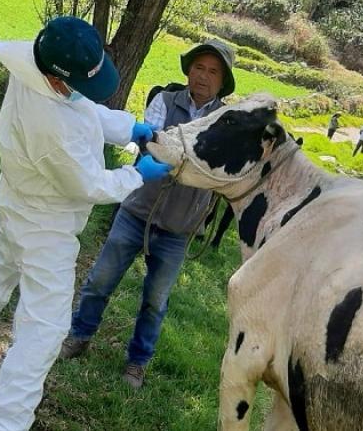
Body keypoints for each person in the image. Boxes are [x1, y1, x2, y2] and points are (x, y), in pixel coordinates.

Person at [0, 17, 172, 431]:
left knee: (0, 269)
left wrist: (130, 128)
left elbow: (83, 106)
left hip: (17, 205)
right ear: (56, 78)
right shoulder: (52, 128)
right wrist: (137, 174)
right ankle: (9, 421)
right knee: (45, 329)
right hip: (46, 229)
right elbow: (89, 184)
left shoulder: (38, 65)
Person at [60, 39, 236, 389]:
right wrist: (187, 158)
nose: (203, 76)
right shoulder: (164, 99)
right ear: (189, 70)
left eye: (213, 71)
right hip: (136, 209)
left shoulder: (227, 123)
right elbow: (155, 143)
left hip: (179, 228)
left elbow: (217, 167)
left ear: (222, 81)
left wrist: (178, 155)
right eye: (199, 67)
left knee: (155, 301)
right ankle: (79, 335)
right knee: (100, 280)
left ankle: (137, 362)